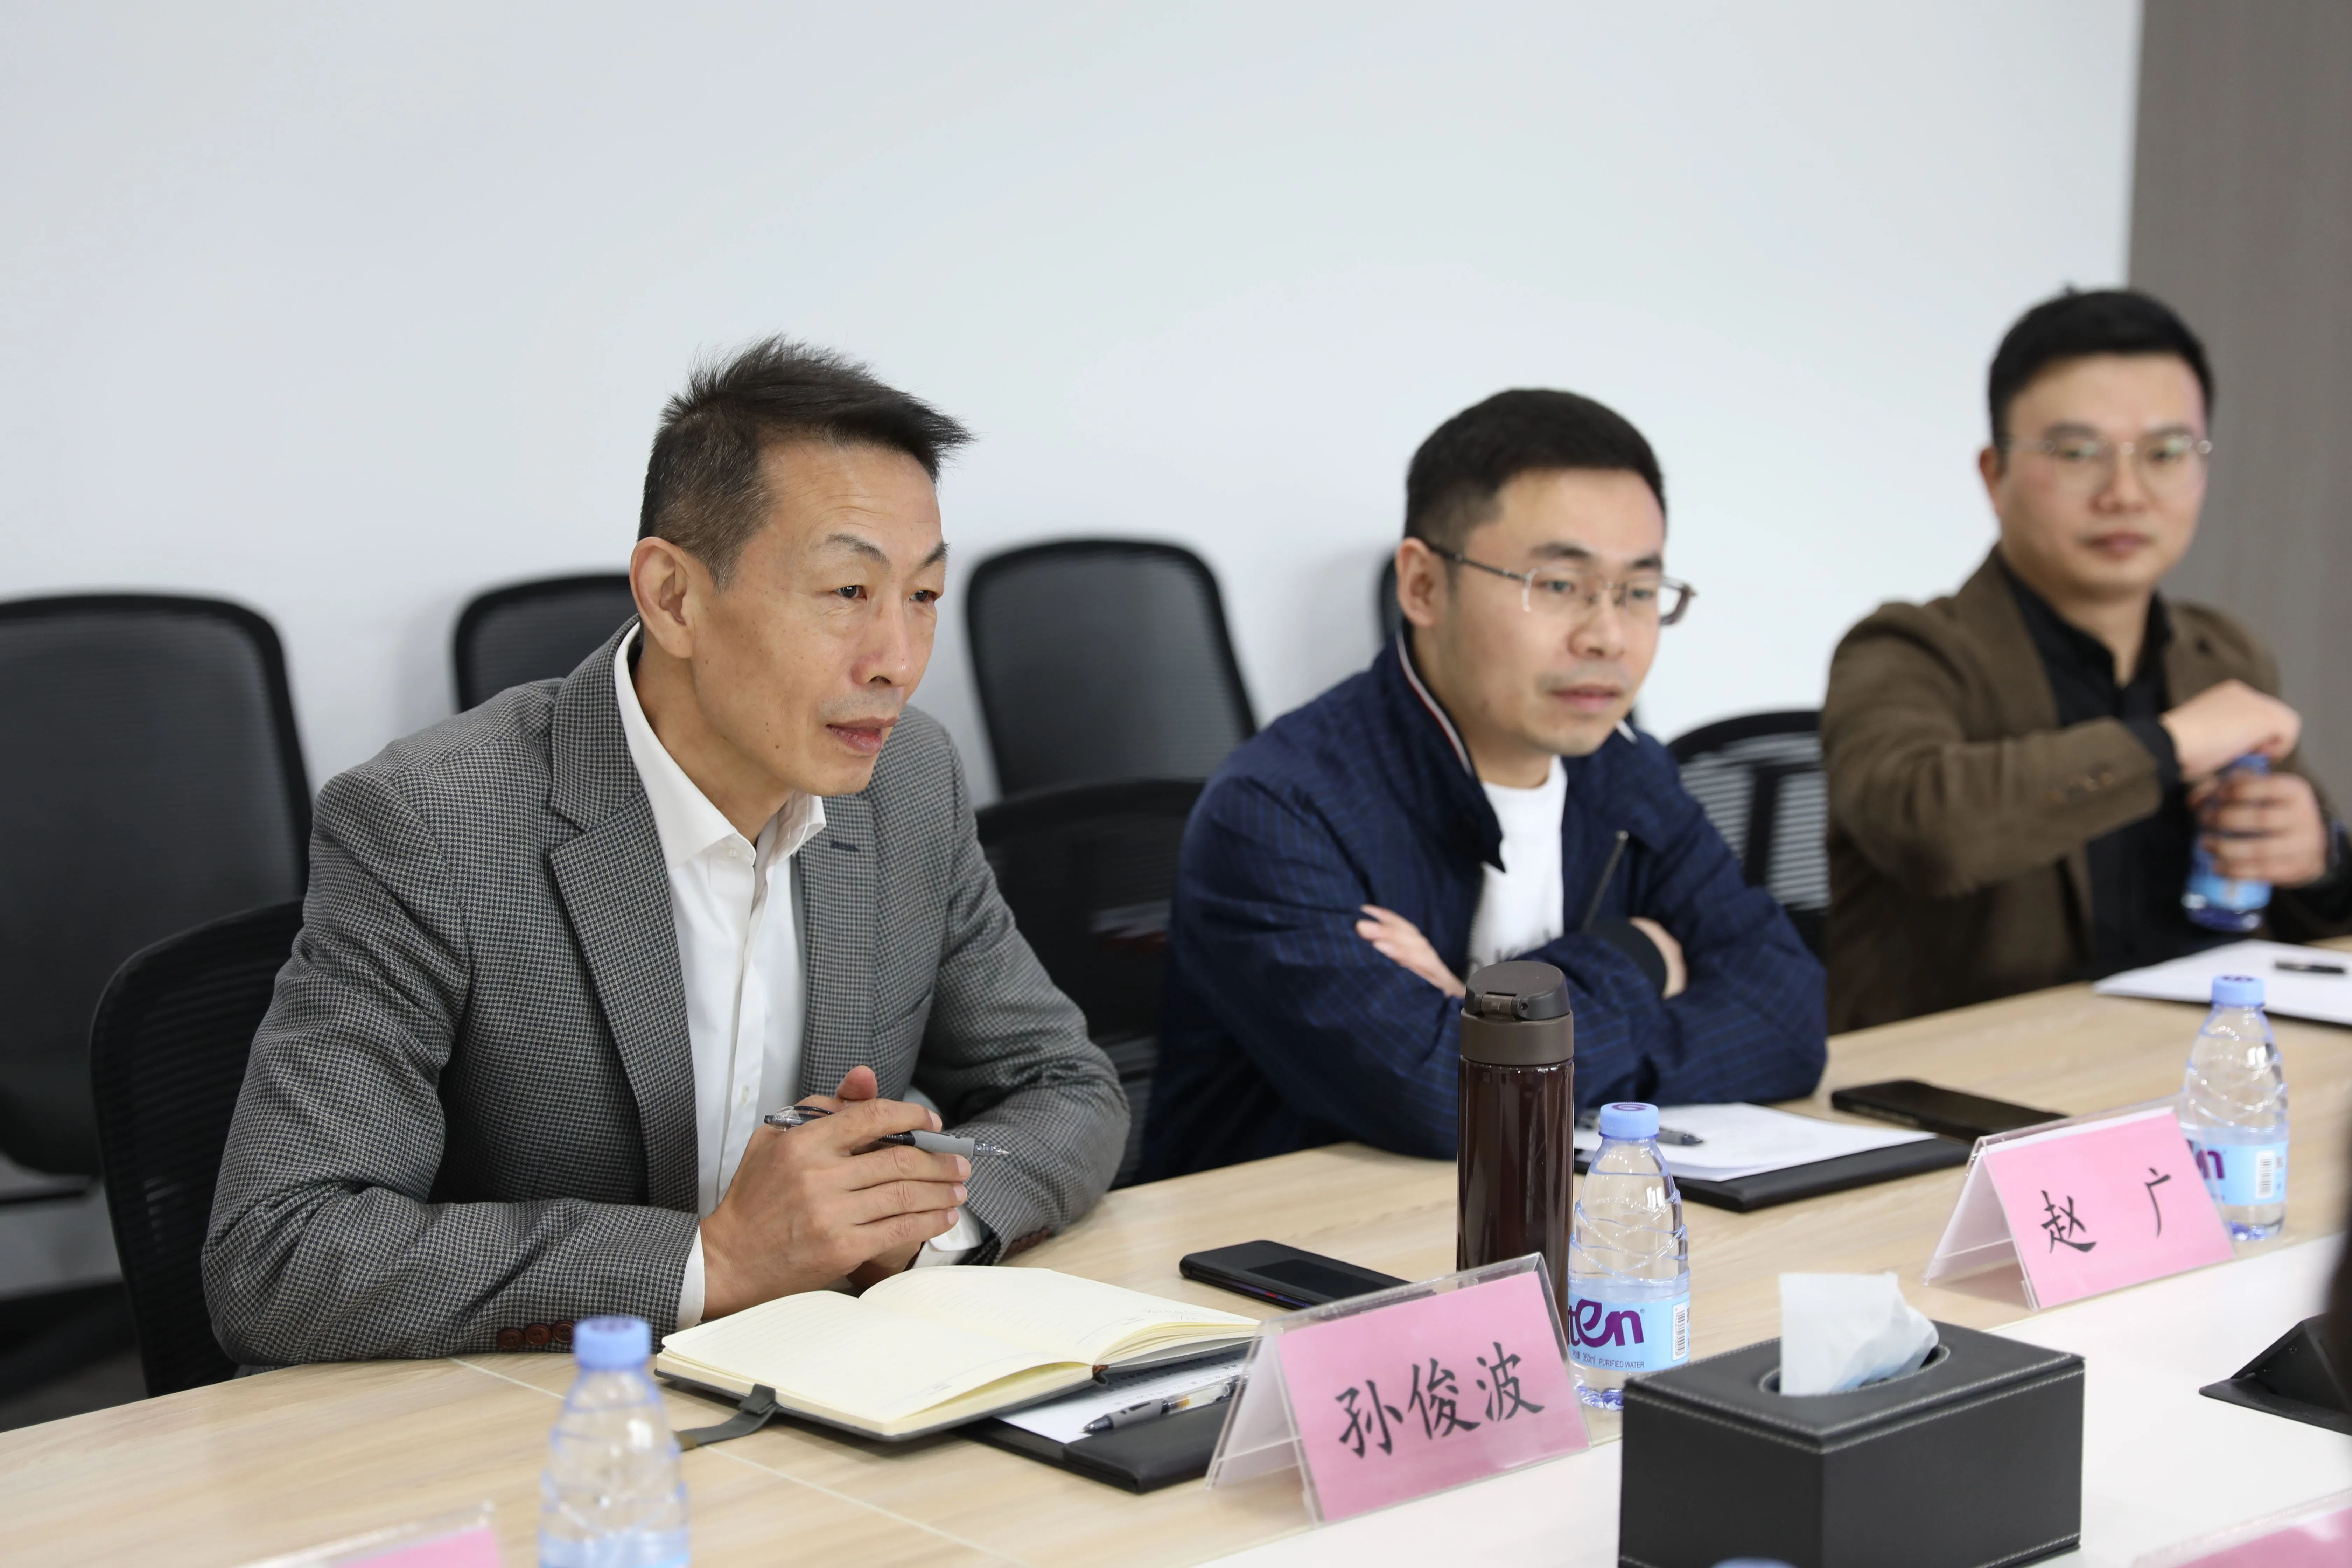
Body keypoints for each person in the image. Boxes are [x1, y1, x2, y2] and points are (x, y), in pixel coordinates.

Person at [204, 340, 1126, 1364]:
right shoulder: (432, 824)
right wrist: (713, 1261)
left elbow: (1066, 1086)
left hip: (837, 1382)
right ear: (674, 596)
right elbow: (279, 1251)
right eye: (845, 592)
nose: (899, 664)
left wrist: (914, 1227)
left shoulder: (909, 780)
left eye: (922, 596)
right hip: (550, 1417)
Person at [1140, 390, 1826, 1179]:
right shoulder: (1279, 810)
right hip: (1304, 1239)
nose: (1608, 635)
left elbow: (1789, 1018)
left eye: (1639, 592)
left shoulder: (1628, 773)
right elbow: (1449, 1099)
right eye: (1559, 584)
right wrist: (1635, 956)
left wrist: (1494, 1028)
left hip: (1547, 1215)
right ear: (1424, 585)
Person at [1822, 289, 2352, 1030]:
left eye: (2165, 453)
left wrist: (2318, 857)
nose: (2125, 494)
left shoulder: (2224, 653)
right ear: (1995, 475)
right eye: (2077, 453)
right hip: (1989, 1079)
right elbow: (1927, 830)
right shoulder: (1908, 649)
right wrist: (2168, 745)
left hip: (2204, 1066)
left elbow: (2309, 926)